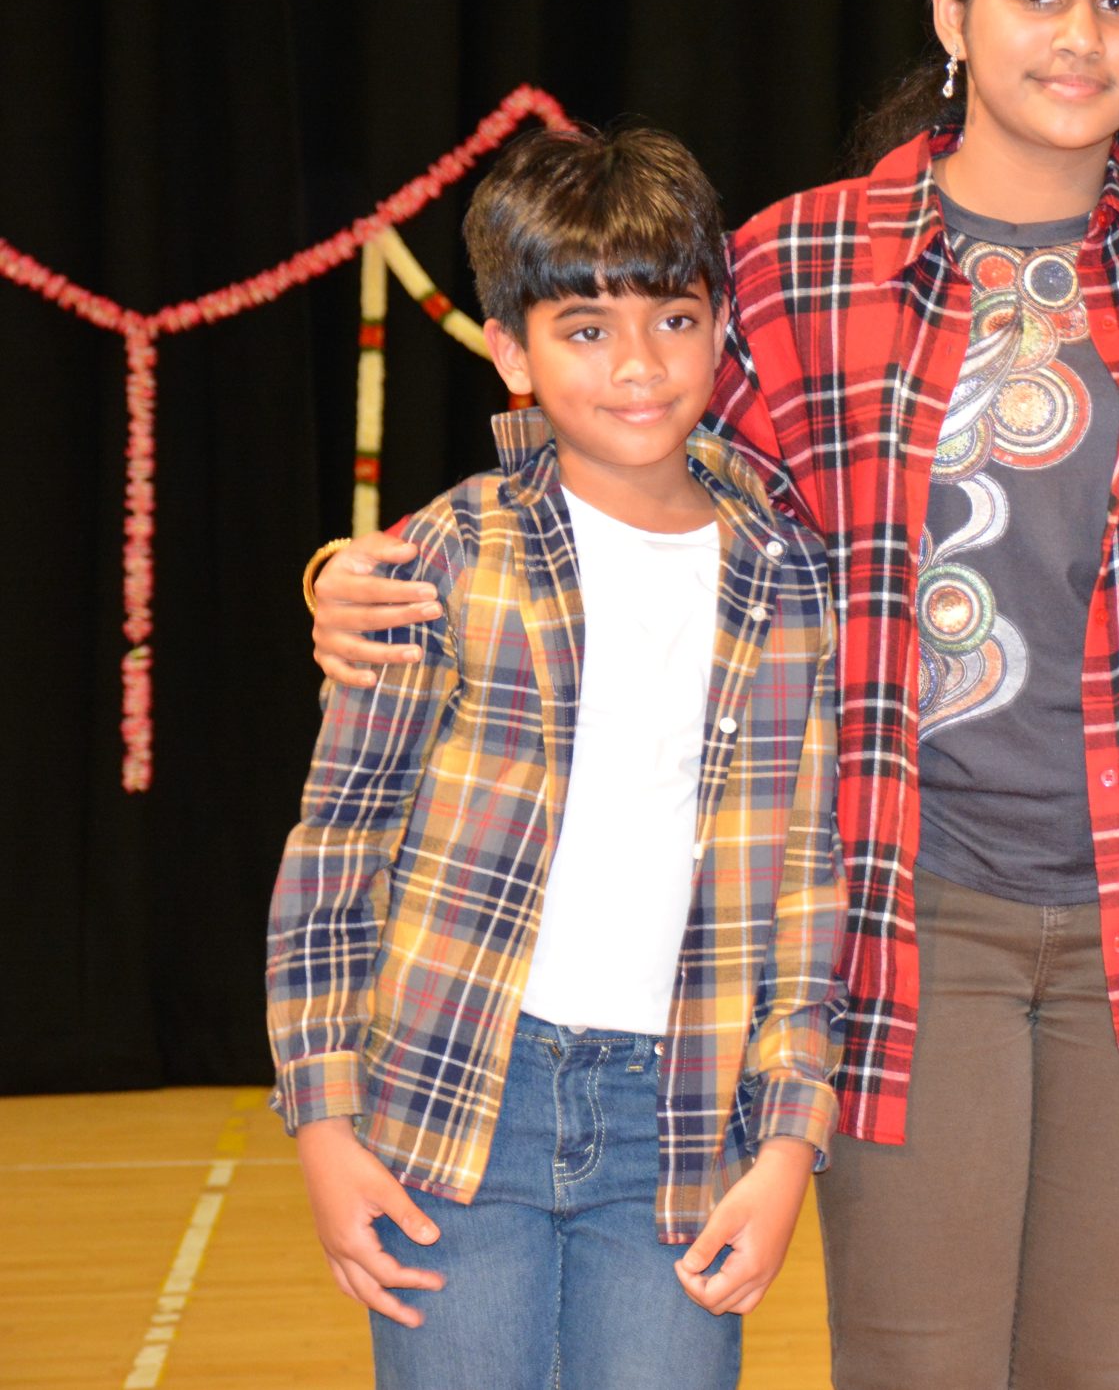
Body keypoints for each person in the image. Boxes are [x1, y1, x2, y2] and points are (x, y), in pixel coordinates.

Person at [307, 0, 1119, 1390]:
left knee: (1111, 1366)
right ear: (954, 13)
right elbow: (634, 461)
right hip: (903, 911)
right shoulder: (802, 259)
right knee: (916, 1365)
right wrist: (372, 572)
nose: (1081, 34)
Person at [267, 125, 843, 1390]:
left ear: (720, 327)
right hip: (452, 1099)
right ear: (512, 352)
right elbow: (337, 847)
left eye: (674, 319)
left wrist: (789, 1142)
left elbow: (808, 882)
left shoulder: (790, 574)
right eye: (586, 329)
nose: (638, 363)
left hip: (677, 1123)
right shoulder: (444, 558)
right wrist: (322, 1118)